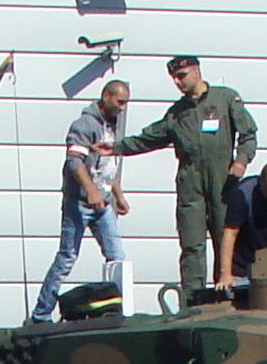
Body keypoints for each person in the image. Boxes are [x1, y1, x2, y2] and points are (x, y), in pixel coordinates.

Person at [108, 55, 256, 294]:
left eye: (182, 76)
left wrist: (241, 161)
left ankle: (228, 294)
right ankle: (193, 298)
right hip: (190, 182)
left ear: (197, 71)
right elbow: (149, 139)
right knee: (191, 243)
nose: (178, 82)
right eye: (174, 78)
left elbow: (248, 133)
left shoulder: (225, 98)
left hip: (223, 182)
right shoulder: (177, 113)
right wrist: (115, 147)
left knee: (226, 239)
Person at [29, 79, 130, 323]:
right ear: (106, 96)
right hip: (79, 204)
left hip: (104, 203)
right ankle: (42, 312)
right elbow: (74, 162)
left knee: (117, 257)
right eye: (119, 102)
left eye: (126, 103)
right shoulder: (84, 125)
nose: (122, 108)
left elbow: (109, 165)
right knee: (67, 257)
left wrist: (118, 195)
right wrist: (90, 192)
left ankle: (116, 308)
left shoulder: (114, 125)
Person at [216, 160, 267, 290]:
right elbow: (230, 233)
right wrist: (226, 274)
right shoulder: (242, 194)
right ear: (260, 182)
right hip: (239, 270)